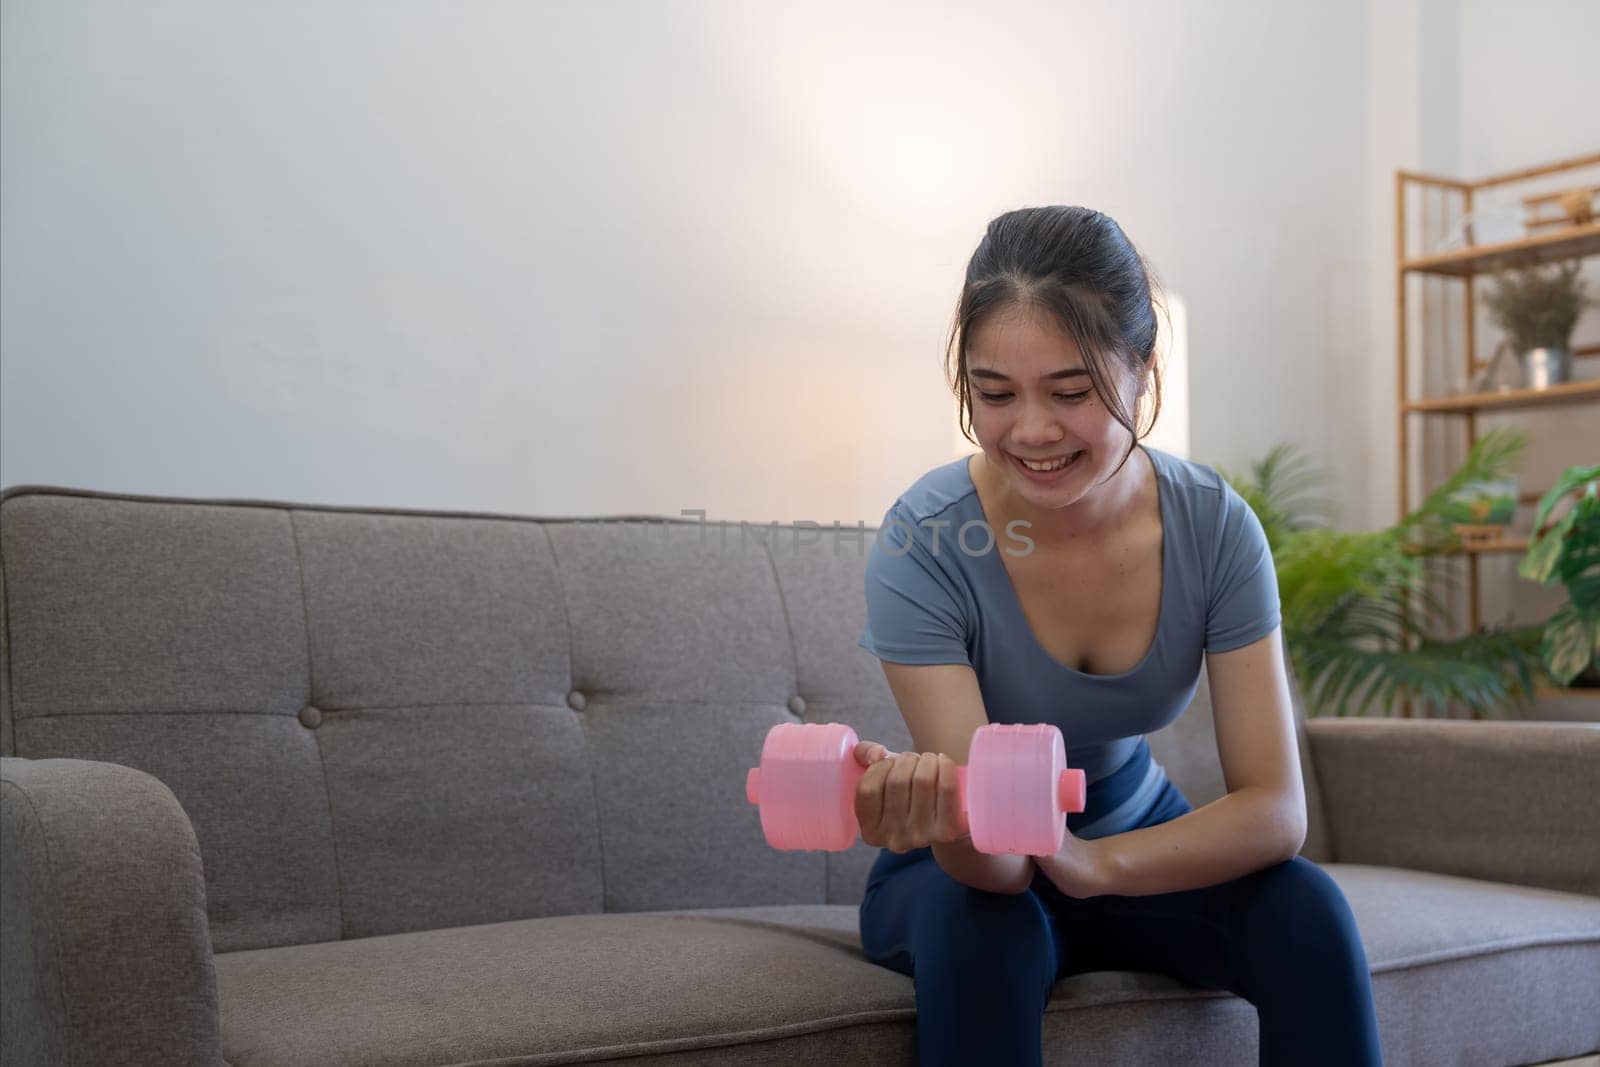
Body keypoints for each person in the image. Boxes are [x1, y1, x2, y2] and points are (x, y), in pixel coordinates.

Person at [853, 205, 1383, 1067]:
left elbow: (1275, 809)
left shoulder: (1215, 528)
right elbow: (997, 863)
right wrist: (935, 812)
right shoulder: (927, 541)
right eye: (994, 393)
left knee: (1308, 913)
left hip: (1138, 837)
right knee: (988, 933)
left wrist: (1100, 862)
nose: (1031, 429)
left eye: (1071, 391)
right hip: (967, 875)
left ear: (1143, 369)